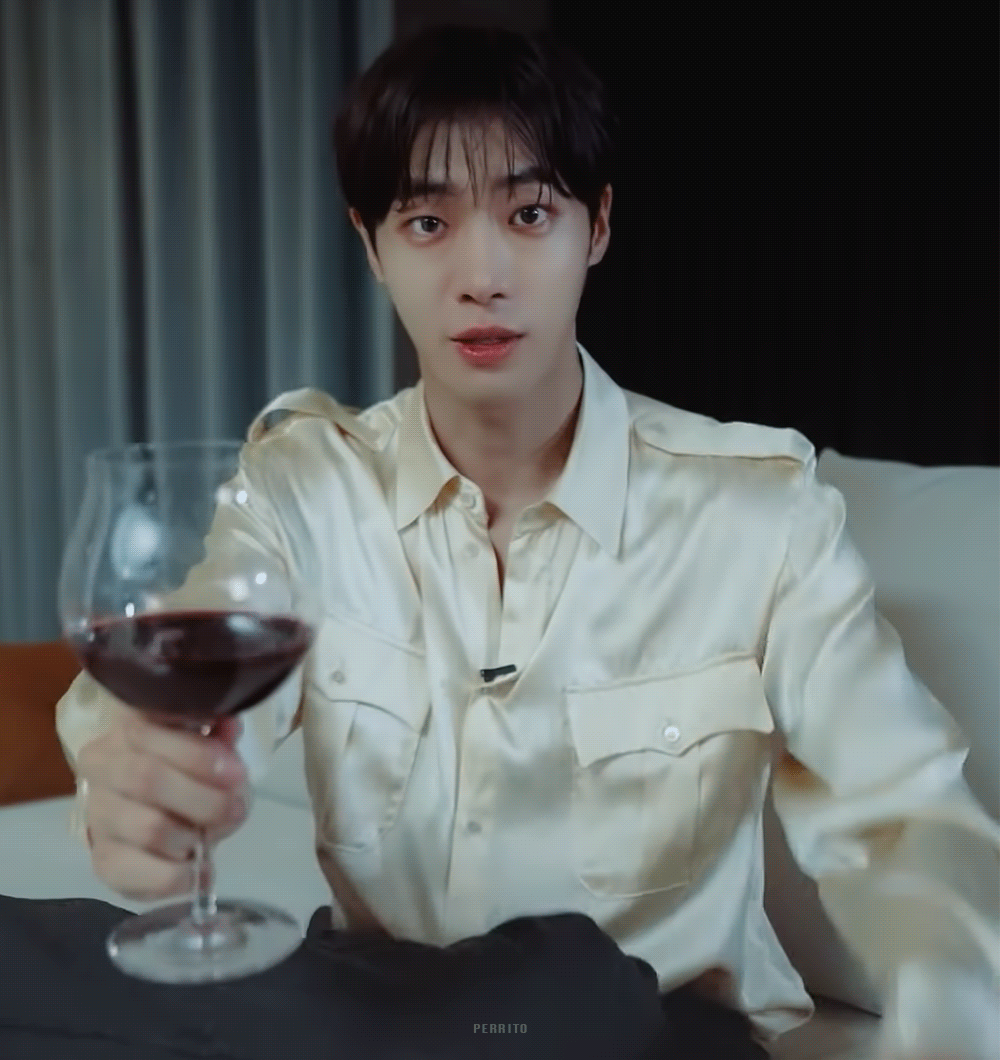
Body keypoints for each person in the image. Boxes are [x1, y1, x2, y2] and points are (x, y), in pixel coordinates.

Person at [16, 21, 997, 1060]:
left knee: (569, 986)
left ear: (597, 226)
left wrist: (945, 1024)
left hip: (633, 1028)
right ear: (371, 246)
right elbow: (190, 656)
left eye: (529, 214)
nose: (482, 275)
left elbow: (907, 821)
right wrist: (137, 772)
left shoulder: (759, 512)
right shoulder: (304, 482)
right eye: (427, 222)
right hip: (378, 1012)